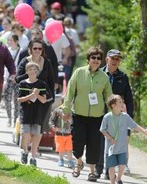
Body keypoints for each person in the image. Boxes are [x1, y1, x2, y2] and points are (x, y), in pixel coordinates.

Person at [62, 46, 112, 182]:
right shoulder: (79, 72)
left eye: (98, 58)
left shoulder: (104, 77)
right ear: (88, 59)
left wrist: (115, 112)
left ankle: (92, 172)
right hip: (79, 114)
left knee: (94, 144)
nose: (96, 60)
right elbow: (70, 92)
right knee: (77, 142)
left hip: (97, 117)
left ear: (101, 61)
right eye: (93, 58)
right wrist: (66, 109)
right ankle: (78, 162)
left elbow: (109, 97)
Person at [96, 49, 134, 179]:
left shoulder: (122, 77)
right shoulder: (98, 73)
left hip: (115, 117)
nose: (115, 61)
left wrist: (130, 120)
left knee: (112, 144)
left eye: (118, 59)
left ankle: (109, 171)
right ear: (107, 59)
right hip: (99, 114)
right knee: (99, 143)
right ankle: (98, 169)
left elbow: (129, 99)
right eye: (113, 58)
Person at [100, 94, 147, 184]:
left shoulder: (125, 116)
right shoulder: (107, 117)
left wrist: (144, 131)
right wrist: (109, 138)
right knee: (111, 166)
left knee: (122, 165)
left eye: (122, 101)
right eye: (120, 102)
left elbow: (134, 126)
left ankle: (118, 178)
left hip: (122, 147)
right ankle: (112, 182)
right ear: (113, 105)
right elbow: (102, 130)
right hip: (111, 147)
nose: (122, 104)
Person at [16, 39, 55, 135]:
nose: (37, 50)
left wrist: (52, 97)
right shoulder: (25, 61)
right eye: (35, 48)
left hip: (42, 97)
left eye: (40, 48)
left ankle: (35, 147)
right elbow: (17, 79)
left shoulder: (47, 62)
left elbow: (51, 80)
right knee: (27, 123)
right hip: (27, 98)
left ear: (42, 50)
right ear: (30, 49)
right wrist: (29, 72)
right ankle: (25, 146)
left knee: (40, 123)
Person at [18, 62, 47, 167]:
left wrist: (37, 94)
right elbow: (19, 99)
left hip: (37, 114)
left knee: (35, 136)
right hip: (26, 113)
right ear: (27, 71)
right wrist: (31, 95)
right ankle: (25, 151)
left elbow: (44, 100)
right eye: (30, 69)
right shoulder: (22, 83)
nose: (32, 71)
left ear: (37, 71)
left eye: (34, 69)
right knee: (25, 134)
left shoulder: (42, 84)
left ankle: (33, 157)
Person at [4, 34, 21, 127]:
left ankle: (15, 119)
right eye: (8, 40)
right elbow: (4, 67)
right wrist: (5, 78)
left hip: (18, 79)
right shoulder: (7, 51)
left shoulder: (21, 52)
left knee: (16, 100)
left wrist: (16, 76)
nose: (9, 42)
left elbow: (21, 66)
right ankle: (9, 118)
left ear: (16, 41)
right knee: (7, 99)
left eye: (11, 40)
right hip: (8, 78)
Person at [50, 104, 74, 169]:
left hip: (68, 134)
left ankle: (70, 161)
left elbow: (73, 122)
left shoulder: (71, 112)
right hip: (59, 133)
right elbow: (51, 120)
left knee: (69, 148)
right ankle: (61, 159)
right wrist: (53, 127)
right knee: (61, 148)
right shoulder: (57, 111)